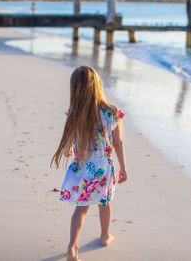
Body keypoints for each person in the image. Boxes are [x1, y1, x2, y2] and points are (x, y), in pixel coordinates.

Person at [51, 65, 127, 261]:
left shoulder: (75, 113)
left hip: (82, 167)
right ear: (98, 85)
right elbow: (118, 143)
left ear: (75, 89)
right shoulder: (112, 112)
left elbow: (68, 138)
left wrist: (68, 149)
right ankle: (105, 236)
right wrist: (123, 168)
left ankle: (72, 248)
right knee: (105, 202)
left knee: (81, 207)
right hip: (103, 168)